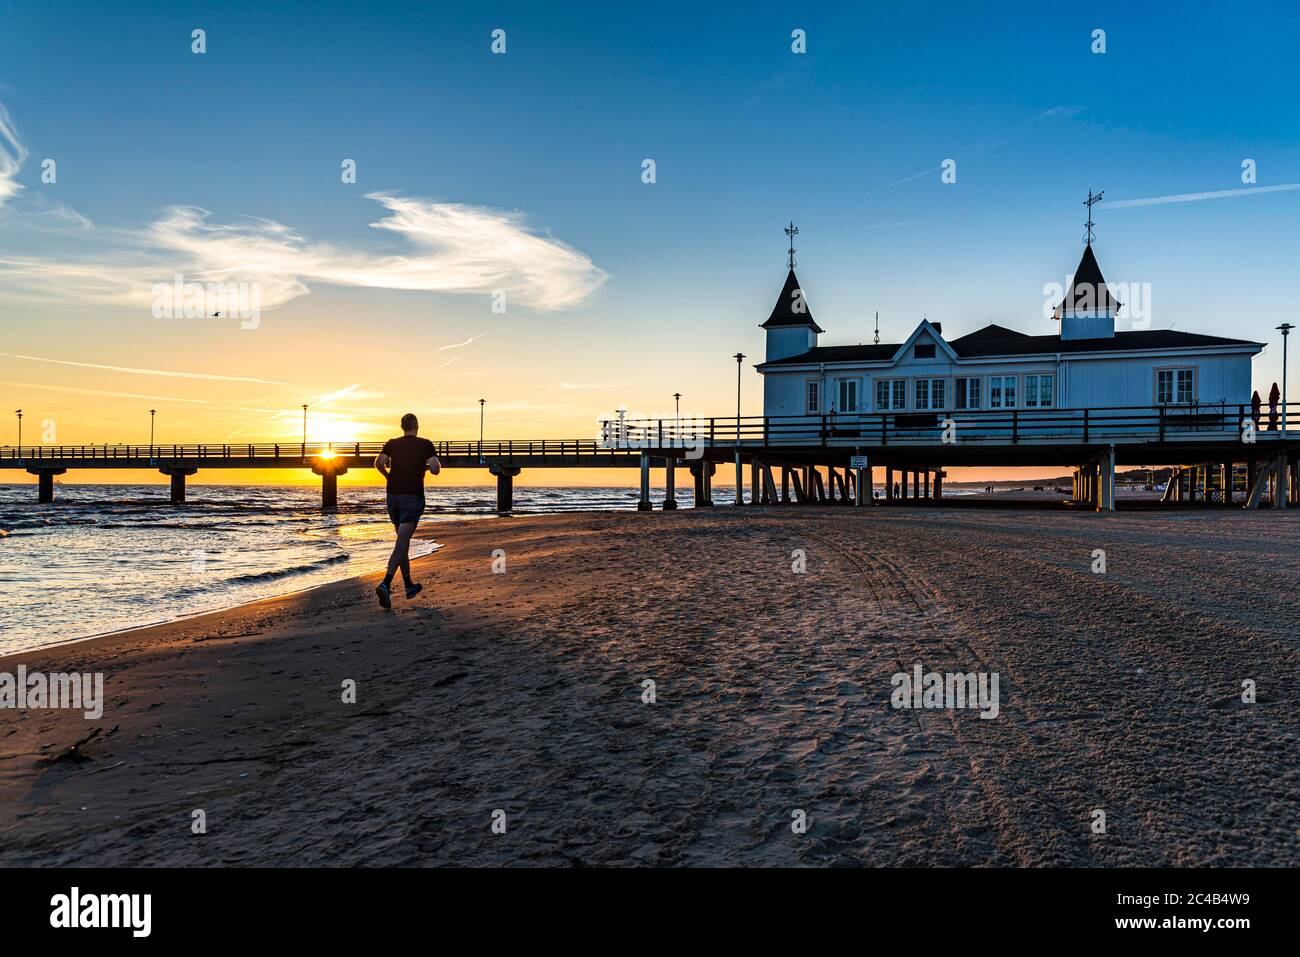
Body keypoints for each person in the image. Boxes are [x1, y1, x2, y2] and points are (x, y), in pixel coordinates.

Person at [374, 413, 440, 608]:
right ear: (416, 425)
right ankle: (385, 583)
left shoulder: (392, 443)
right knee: (402, 542)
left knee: (402, 542)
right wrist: (424, 467)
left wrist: (388, 476)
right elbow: (436, 468)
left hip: (393, 495)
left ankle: (408, 585)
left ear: (402, 426)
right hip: (412, 496)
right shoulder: (425, 444)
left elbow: (378, 463)